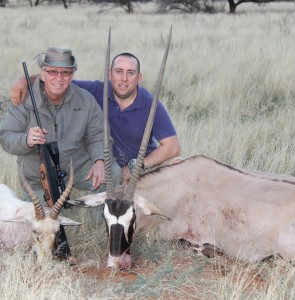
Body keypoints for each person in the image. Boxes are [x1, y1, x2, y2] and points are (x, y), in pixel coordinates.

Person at [0, 46, 121, 260]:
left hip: (76, 165)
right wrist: (26, 140)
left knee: (111, 171)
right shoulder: (22, 100)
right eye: (53, 72)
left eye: (65, 72)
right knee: (46, 224)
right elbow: (5, 137)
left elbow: (99, 136)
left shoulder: (85, 100)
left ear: (72, 74)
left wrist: (100, 160)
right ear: (43, 73)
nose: (59, 78)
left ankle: (98, 227)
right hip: (38, 177)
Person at [10, 52, 181, 181]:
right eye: (119, 71)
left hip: (140, 169)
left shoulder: (151, 104)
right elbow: (59, 81)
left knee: (177, 164)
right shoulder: (95, 90)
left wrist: (135, 167)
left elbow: (172, 147)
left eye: (130, 73)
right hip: (108, 168)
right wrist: (24, 80)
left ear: (139, 77)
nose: (124, 79)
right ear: (109, 74)